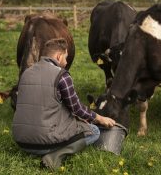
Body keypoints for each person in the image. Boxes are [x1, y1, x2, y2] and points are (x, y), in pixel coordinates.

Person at [12, 38, 115, 169]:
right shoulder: (61, 75)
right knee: (93, 131)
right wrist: (99, 118)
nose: (66, 62)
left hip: (21, 141)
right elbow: (76, 108)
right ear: (59, 56)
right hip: (44, 144)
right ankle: (54, 156)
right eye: (66, 58)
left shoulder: (26, 72)